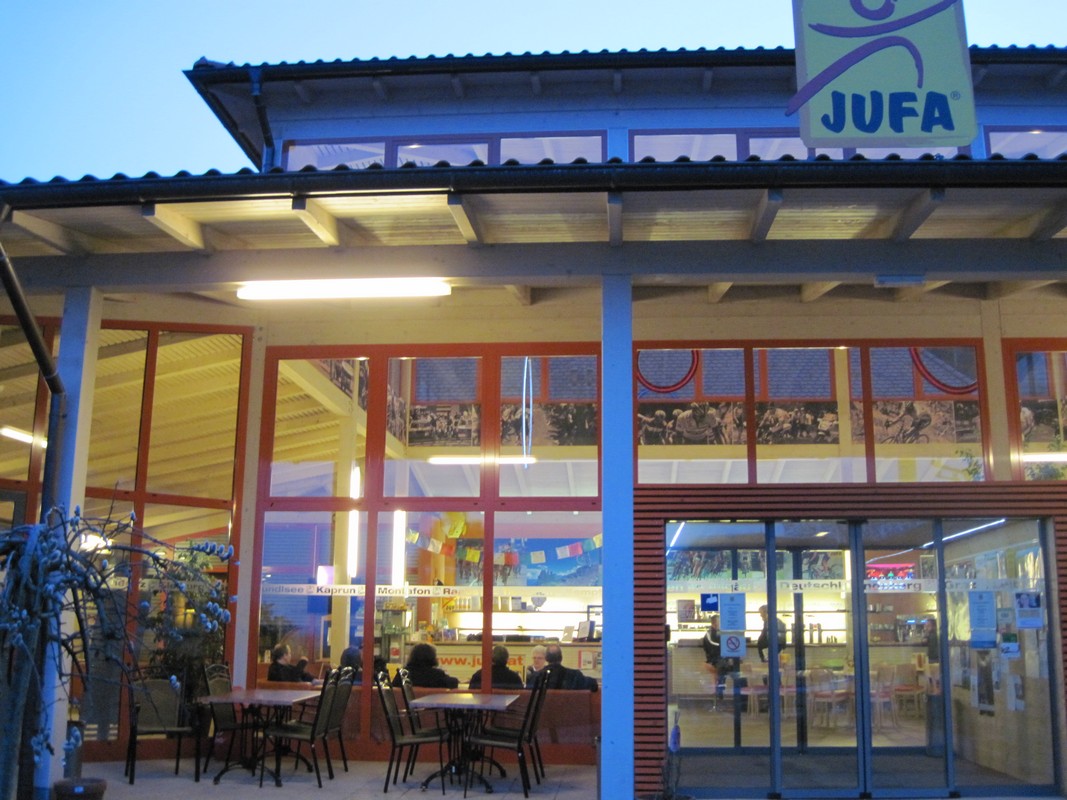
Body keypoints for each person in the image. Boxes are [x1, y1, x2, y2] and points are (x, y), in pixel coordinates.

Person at [392, 642, 459, 689]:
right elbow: (453, 682)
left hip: (405, 705)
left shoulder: (403, 673)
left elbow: (394, 688)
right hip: (431, 705)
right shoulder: (436, 674)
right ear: (432, 657)